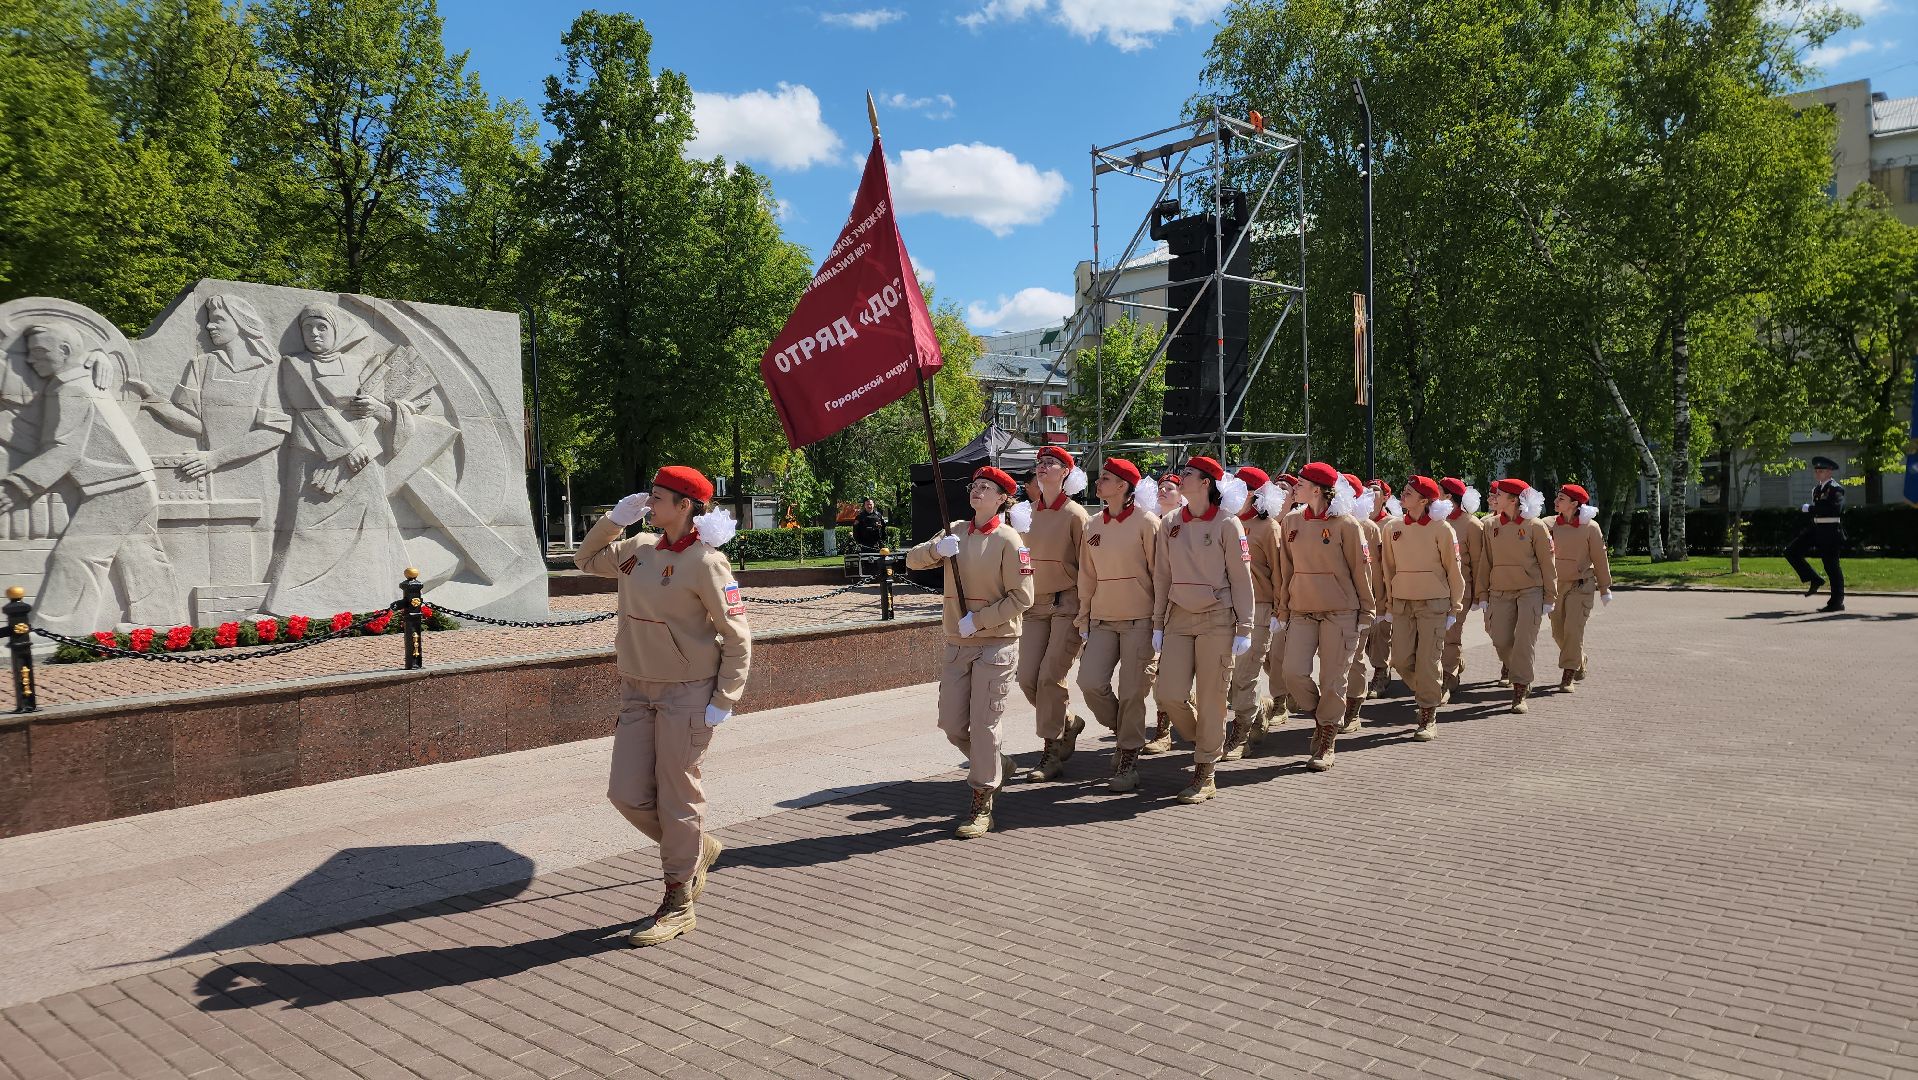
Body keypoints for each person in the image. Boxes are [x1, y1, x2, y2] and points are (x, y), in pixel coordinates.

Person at [574, 466, 748, 947]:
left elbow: (737, 637)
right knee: (626, 793)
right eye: (649, 496)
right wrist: (614, 520)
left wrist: (723, 699)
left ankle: (679, 901)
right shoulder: (637, 548)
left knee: (677, 796)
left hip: (687, 693)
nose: (649, 503)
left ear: (685, 505)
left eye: (657, 497)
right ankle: (696, 850)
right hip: (637, 689)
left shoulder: (706, 562)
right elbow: (584, 560)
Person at [0, 322, 182, 635]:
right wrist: (97, 354)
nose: (31, 360)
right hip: (133, 482)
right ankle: (162, 623)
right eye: (28, 354)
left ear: (65, 351)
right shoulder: (85, 380)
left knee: (76, 554)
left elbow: (65, 450)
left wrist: (18, 486)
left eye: (39, 353)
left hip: (117, 488)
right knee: (140, 553)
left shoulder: (71, 388)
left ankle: (59, 632)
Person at [905, 466, 1034, 838]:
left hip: (995, 644)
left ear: (1002, 498)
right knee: (951, 723)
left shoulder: (1011, 541)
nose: (977, 491)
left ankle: (982, 803)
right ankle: (997, 764)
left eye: (986, 488)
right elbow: (913, 561)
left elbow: (1022, 598)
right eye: (974, 486)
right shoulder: (956, 530)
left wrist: (979, 620)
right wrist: (936, 549)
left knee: (983, 725)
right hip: (959, 644)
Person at [1151, 456, 1255, 802]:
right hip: (1179, 616)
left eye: (1188, 474)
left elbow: (1241, 579)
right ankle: (1207, 740)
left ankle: (1205, 772)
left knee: (1212, 697)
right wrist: (1157, 623)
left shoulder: (1228, 524)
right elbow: (1162, 576)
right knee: (1168, 693)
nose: (1180, 478)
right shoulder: (1170, 522)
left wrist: (1245, 626)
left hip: (1218, 619)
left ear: (1206, 483)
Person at [1275, 463, 1375, 771]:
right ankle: (1324, 716)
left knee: (1333, 679)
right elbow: (1285, 569)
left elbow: (1362, 569)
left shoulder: (1347, 525)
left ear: (1317, 489)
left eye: (1301, 483)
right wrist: (1283, 608)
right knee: (1292, 673)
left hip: (1340, 613)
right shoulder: (1291, 520)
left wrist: (1367, 610)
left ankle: (1327, 737)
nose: (1295, 488)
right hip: (1302, 610)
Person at [1074, 457, 1161, 792]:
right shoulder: (1093, 525)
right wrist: (1084, 617)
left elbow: (1160, 575)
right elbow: (1087, 575)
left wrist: (1159, 623)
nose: (1099, 482)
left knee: (1132, 693)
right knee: (1089, 682)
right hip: (1102, 619)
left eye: (1106, 478)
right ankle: (1126, 733)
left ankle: (1128, 758)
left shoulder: (1147, 523)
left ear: (1124, 486)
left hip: (1140, 621)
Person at [1015, 447, 1091, 782]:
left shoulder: (1076, 515)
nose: (1043, 468)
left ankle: (1051, 752)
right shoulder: (1025, 513)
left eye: (1051, 464)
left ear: (1066, 474)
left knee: (1049, 677)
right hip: (1035, 605)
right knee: (1027, 678)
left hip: (1067, 605)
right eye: (1040, 464)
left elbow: (1089, 568)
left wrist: (1087, 613)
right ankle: (1068, 722)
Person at [1381, 476, 1465, 741]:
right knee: (1401, 659)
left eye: (1409, 493)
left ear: (1424, 500)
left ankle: (1427, 715)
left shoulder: (1442, 529)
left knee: (1428, 660)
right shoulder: (1393, 527)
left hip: (1434, 604)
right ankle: (1431, 692)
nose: (1402, 496)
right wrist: (1390, 603)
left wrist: (1455, 607)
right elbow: (1388, 569)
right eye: (1404, 491)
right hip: (1403, 602)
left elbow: (1454, 570)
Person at [1477, 478, 1556, 714]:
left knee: (1523, 640)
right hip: (1500, 592)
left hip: (1529, 592)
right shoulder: (1491, 526)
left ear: (1513, 500)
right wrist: (1482, 592)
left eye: (1499, 494)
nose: (1494, 498)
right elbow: (1485, 562)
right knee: (1500, 639)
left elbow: (1547, 563)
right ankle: (1519, 673)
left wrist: (1550, 597)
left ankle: (1520, 688)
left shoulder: (1535, 526)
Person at [1223, 465, 1284, 761]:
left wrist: (1278, 612)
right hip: (1227, 609)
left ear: (1255, 495)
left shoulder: (1269, 527)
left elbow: (1280, 574)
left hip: (1259, 610)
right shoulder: (1226, 521)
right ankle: (1259, 711)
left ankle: (1240, 736)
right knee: (1229, 677)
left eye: (1240, 487)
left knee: (1244, 677)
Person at [1141, 471, 1190, 755]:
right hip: (1151, 605)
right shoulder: (1151, 522)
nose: (1162, 491)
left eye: (1169, 488)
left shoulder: (1185, 523)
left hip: (1180, 605)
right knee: (1158, 672)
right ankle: (1163, 730)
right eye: (1160, 487)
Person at [1549, 484, 1613, 691]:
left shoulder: (1590, 527)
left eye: (1561, 499)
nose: (1556, 501)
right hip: (1557, 586)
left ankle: (1568, 674)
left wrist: (1604, 587)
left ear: (1575, 504)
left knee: (1573, 630)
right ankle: (1579, 658)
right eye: (1557, 498)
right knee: (1558, 632)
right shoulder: (1550, 525)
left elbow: (1600, 559)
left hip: (1581, 585)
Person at [1339, 473, 1389, 733]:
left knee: (1356, 656)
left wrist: (1381, 603)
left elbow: (1377, 570)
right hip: (1334, 604)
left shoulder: (1367, 527)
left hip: (1362, 602)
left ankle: (1354, 706)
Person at [1437, 477, 1485, 700]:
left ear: (1449, 497)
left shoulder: (1472, 525)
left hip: (1461, 591)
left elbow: (1478, 563)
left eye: (1438, 492)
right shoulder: (1434, 520)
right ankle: (1454, 663)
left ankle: (1447, 678)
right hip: (1435, 590)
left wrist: (1478, 594)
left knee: (1451, 635)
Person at [1785, 457, 1846, 613]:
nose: (1818, 473)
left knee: (1831, 566)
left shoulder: (1835, 488)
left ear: (1829, 472)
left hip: (1831, 530)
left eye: (1821, 471)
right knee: (1791, 551)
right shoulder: (1817, 489)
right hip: (1817, 528)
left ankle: (1836, 602)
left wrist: (1810, 509)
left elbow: (1834, 509)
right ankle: (1814, 578)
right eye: (1816, 471)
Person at [1363, 478, 1397, 701]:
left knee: (1380, 633)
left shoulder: (1393, 524)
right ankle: (1380, 665)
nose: (1370, 494)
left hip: (1386, 587)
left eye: (1375, 491)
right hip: (1364, 586)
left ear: (1385, 497)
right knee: (1366, 638)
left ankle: (1381, 673)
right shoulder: (1360, 523)